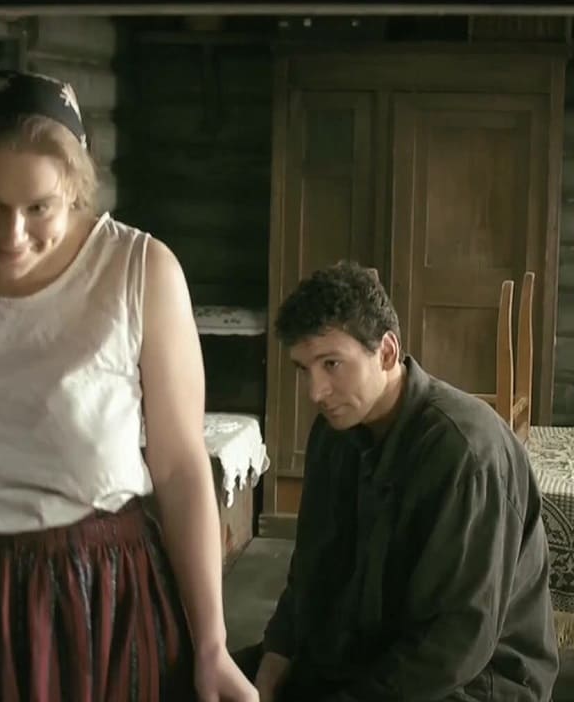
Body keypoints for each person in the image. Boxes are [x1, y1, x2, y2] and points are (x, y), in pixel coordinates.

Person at [0, 69, 257, 702]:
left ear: (75, 189)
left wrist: (211, 645)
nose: (12, 234)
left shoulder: (139, 271)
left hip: (94, 598)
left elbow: (181, 469)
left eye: (38, 207)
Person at [233, 261, 559, 701]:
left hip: (470, 682)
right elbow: (311, 572)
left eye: (332, 364)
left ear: (386, 352)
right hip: (362, 652)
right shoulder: (333, 432)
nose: (316, 392)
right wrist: (274, 660)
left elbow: (453, 642)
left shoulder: (464, 451)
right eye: (304, 369)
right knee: (203, 682)